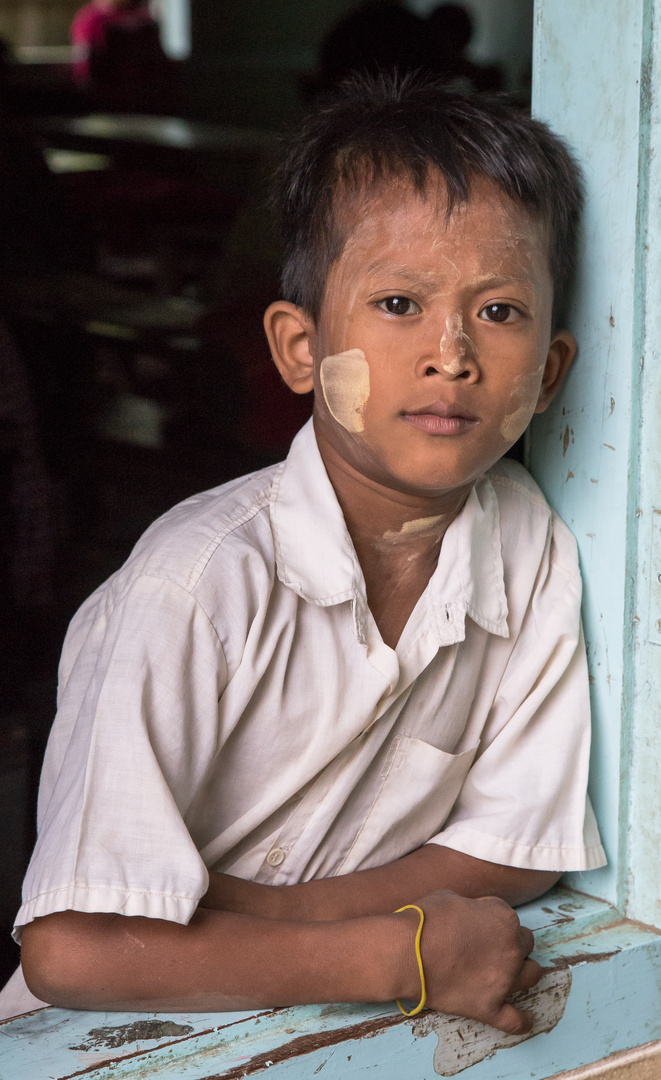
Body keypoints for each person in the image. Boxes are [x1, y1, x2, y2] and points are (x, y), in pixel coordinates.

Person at [0, 75, 605, 1030]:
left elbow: (516, 845)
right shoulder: (193, 588)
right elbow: (73, 946)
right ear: (296, 347)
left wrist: (268, 920)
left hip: (318, 1031)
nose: (450, 353)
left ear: (549, 376)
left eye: (498, 312)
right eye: (399, 301)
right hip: (99, 1042)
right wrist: (394, 953)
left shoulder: (528, 544)